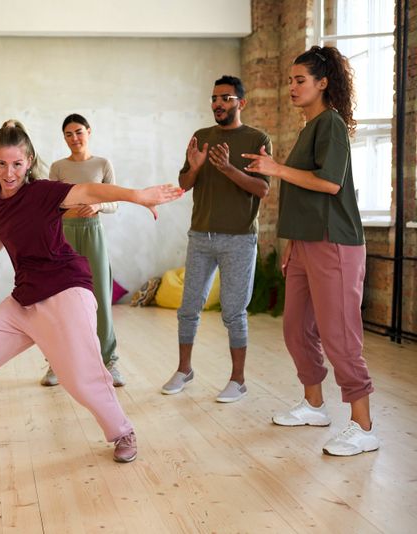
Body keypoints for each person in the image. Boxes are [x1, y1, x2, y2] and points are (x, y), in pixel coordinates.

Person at [0, 125, 183, 463]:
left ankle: (122, 431)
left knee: (79, 377)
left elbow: (89, 190)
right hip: (24, 299)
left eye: (16, 165)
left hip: (65, 290)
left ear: (28, 162)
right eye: (1, 164)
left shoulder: (43, 192)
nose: (8, 173)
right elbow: (0, 233)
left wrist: (137, 196)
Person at [243, 45, 379, 456]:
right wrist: (291, 244)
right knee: (296, 328)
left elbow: (330, 184)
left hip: (335, 243)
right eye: (290, 80)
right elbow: (303, 195)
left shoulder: (331, 124)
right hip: (305, 243)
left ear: (323, 83)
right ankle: (314, 405)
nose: (292, 86)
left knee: (340, 336)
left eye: (300, 79)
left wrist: (276, 169)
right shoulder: (309, 128)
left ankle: (363, 425)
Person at [161, 76, 272, 402]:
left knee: (233, 313)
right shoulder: (201, 137)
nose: (218, 104)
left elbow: (263, 189)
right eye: (214, 98)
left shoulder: (256, 138)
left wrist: (228, 169)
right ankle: (184, 370)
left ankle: (238, 380)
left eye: (225, 98)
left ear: (241, 103)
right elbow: (183, 184)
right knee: (188, 308)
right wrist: (195, 168)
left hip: (239, 239)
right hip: (201, 236)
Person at [42, 113, 125, 387]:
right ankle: (57, 363)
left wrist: (99, 205)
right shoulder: (57, 167)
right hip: (64, 236)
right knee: (61, 299)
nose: (74, 138)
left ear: (89, 132)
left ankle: (109, 361)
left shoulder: (102, 164)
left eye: (78, 132)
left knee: (100, 293)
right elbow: (48, 206)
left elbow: (115, 202)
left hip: (94, 232)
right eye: (68, 134)